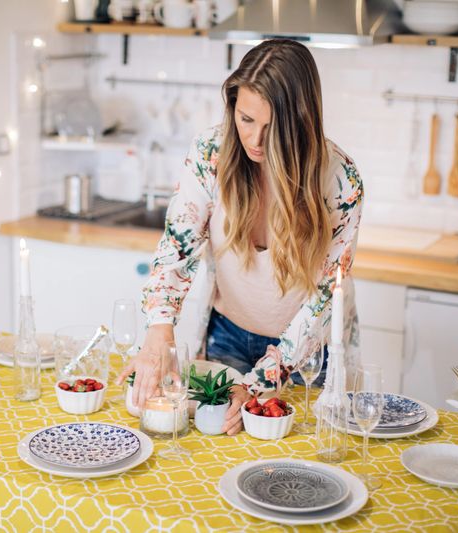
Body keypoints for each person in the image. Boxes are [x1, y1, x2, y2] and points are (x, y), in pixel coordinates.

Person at [116, 39, 363, 435]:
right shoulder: (211, 153)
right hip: (226, 337)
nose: (255, 140)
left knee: (302, 465)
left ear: (301, 122)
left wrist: (261, 381)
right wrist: (159, 332)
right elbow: (177, 247)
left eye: (273, 128)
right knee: (215, 456)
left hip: (307, 356)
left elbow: (324, 299)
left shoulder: (338, 179)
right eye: (246, 120)